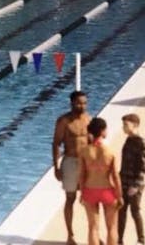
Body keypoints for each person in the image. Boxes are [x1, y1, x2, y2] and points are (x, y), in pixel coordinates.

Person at [53, 90, 91, 245]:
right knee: (70, 198)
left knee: (90, 200)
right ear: (72, 103)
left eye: (84, 103)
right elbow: (56, 144)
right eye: (79, 103)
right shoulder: (64, 121)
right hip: (70, 161)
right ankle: (70, 235)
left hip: (86, 163)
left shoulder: (89, 119)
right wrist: (56, 167)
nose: (82, 106)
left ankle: (93, 234)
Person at [78, 117, 122, 245]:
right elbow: (115, 176)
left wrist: (82, 193)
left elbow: (82, 175)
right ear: (102, 131)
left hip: (90, 190)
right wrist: (119, 195)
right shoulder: (110, 152)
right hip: (107, 190)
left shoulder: (84, 151)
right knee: (112, 228)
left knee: (93, 228)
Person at [118, 113, 145, 245]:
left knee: (135, 211)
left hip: (134, 183)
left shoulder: (141, 142)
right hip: (124, 181)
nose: (123, 127)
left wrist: (135, 185)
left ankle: (141, 240)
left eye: (126, 125)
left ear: (135, 125)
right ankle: (119, 240)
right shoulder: (128, 140)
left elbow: (143, 166)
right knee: (121, 211)